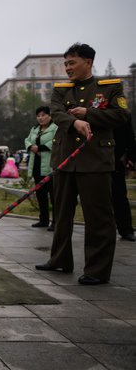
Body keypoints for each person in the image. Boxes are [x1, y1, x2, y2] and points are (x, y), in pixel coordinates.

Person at [36, 43, 129, 285]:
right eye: (65, 63)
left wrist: (88, 115)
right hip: (65, 159)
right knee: (62, 214)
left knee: (98, 217)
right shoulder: (61, 90)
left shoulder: (109, 88)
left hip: (95, 161)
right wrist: (74, 122)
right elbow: (56, 111)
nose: (67, 68)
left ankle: (97, 270)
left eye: (72, 63)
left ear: (88, 62)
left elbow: (121, 116)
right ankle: (59, 260)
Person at [25, 106, 58, 230]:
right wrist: (31, 147)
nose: (40, 118)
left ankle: (55, 222)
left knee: (54, 197)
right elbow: (27, 140)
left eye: (43, 115)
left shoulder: (55, 128)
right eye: (38, 115)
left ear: (50, 116)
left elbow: (56, 142)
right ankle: (43, 220)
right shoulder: (34, 129)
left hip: (50, 168)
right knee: (41, 196)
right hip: (36, 167)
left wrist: (40, 148)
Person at [112, 114, 136, 241]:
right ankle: (102, 231)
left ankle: (126, 229)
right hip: (95, 159)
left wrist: (131, 156)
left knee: (120, 196)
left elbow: (129, 134)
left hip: (116, 159)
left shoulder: (122, 112)